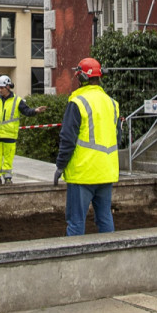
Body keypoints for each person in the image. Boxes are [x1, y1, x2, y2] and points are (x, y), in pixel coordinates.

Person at [54, 57, 120, 235]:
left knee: (76, 222)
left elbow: (67, 139)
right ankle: (111, 258)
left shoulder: (78, 102)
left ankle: (74, 261)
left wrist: (60, 165)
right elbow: (117, 138)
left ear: (81, 78)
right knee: (105, 218)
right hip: (106, 171)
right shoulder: (112, 104)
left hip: (83, 173)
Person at [0, 75, 45, 184]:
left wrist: (35, 111)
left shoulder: (17, 101)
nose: (0, 90)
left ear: (8, 87)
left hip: (9, 134)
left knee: (8, 158)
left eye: (2, 88)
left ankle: (8, 178)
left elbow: (26, 111)